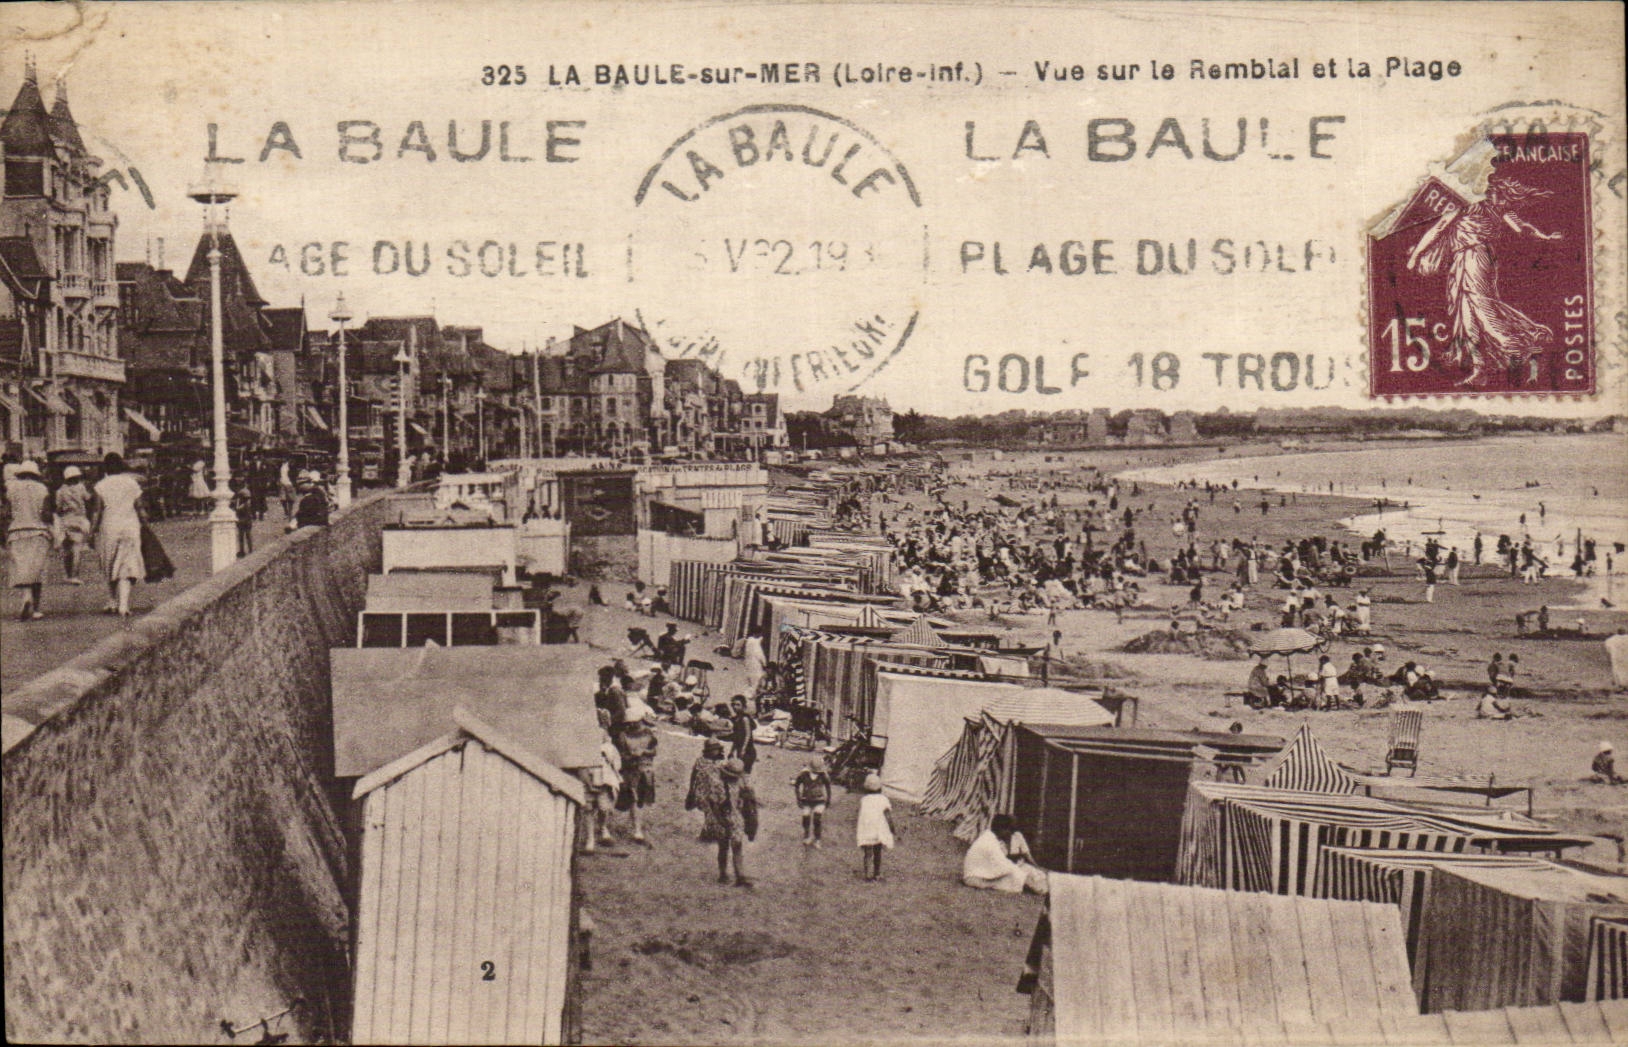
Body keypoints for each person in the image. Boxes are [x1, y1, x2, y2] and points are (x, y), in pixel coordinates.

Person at [92, 452, 145, 619]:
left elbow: (97, 511)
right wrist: (146, 524)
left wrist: (92, 531)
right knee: (127, 565)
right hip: (130, 526)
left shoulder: (100, 486)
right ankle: (124, 604)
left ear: (106, 467)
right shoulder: (132, 483)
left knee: (110, 563)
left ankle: (112, 600)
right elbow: (140, 508)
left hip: (109, 528)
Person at [5, 460, 51, 619]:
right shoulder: (42, 489)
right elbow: (46, 514)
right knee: (37, 570)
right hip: (38, 532)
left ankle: (26, 596)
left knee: (22, 567)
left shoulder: (11, 489)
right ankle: (36, 609)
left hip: (17, 531)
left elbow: (6, 513)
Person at [703, 758, 758, 887]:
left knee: (737, 845)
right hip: (721, 817)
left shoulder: (741, 783)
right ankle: (723, 873)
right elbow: (713, 803)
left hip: (736, 816)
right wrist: (720, 819)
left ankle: (740, 876)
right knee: (723, 846)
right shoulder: (717, 784)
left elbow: (746, 801)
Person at [962, 814, 1049, 895]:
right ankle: (1039, 888)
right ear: (1001, 829)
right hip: (974, 878)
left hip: (977, 874)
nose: (1010, 833)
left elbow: (1002, 864)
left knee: (1020, 873)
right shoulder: (990, 842)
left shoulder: (989, 837)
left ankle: (1040, 884)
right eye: (1008, 830)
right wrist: (1024, 877)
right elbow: (1003, 866)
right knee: (1014, 876)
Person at [614, 699, 658, 844]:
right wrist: (631, 756)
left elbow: (653, 751)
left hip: (645, 769)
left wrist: (645, 751)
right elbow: (620, 755)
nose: (633, 725)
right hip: (630, 770)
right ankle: (637, 829)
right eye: (630, 723)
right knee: (633, 798)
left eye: (636, 722)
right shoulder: (623, 735)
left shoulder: (649, 734)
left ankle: (636, 826)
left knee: (640, 800)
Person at [581, 709, 623, 852]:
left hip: (604, 775)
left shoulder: (607, 743)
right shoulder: (583, 737)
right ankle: (590, 838)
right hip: (589, 772)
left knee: (604, 806)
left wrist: (608, 753)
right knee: (588, 807)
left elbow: (615, 760)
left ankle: (603, 827)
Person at [54, 465, 93, 585]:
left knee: (66, 550)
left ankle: (67, 575)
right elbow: (88, 499)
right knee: (77, 549)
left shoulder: (60, 491)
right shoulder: (81, 487)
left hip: (66, 521)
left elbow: (58, 508)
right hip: (80, 520)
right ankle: (75, 575)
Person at [855, 772, 896, 882]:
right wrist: (892, 828)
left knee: (867, 853)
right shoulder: (883, 799)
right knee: (878, 852)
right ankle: (876, 874)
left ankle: (867, 875)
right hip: (878, 830)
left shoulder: (864, 799)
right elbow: (888, 816)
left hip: (867, 829)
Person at [793, 756, 833, 848]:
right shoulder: (803, 774)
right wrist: (798, 798)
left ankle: (817, 839)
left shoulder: (823, 775)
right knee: (805, 817)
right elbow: (797, 785)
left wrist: (828, 799)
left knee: (817, 819)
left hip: (819, 800)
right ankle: (807, 835)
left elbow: (828, 787)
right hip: (806, 800)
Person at [729, 695, 758, 773]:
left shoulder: (745, 718)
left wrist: (743, 749)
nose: (735, 707)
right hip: (740, 749)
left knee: (744, 773)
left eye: (738, 704)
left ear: (743, 706)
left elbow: (748, 734)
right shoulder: (735, 719)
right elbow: (736, 737)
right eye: (734, 704)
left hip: (748, 750)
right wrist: (732, 751)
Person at [231, 480, 255, 558]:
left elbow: (237, 509)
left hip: (243, 521)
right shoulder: (248, 502)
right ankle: (249, 550)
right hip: (246, 521)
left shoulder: (244, 504)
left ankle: (244, 550)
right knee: (247, 536)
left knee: (243, 536)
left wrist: (237, 501)